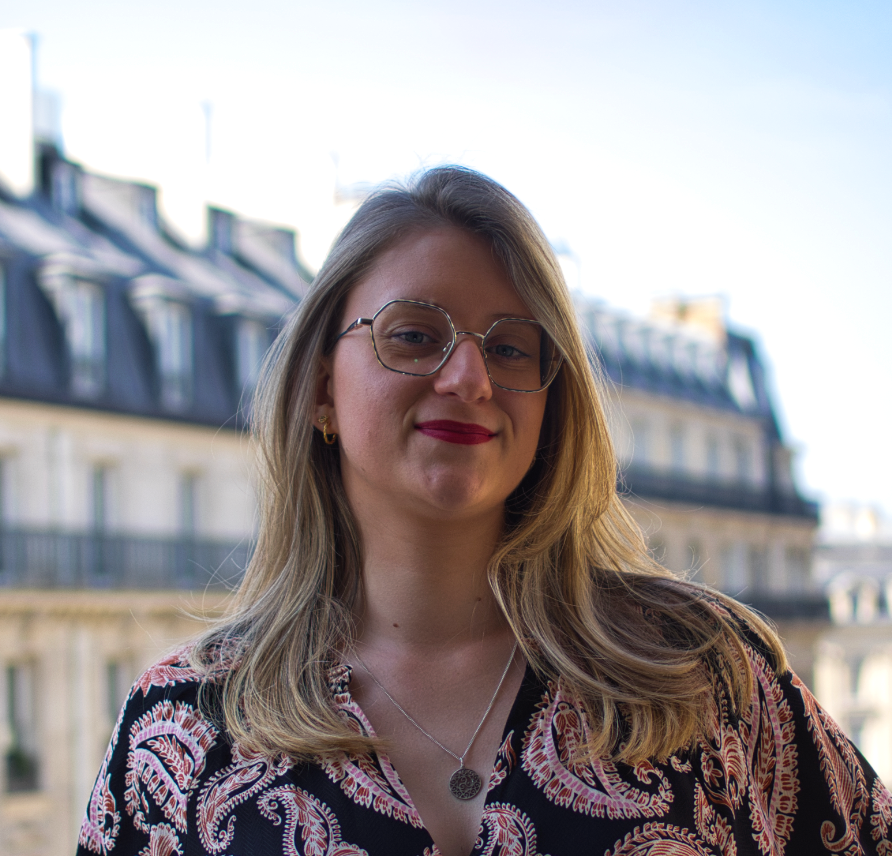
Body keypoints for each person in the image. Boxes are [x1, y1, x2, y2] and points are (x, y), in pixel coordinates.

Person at [77, 167, 890, 856]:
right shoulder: (182, 728)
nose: (468, 376)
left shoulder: (699, 674)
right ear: (322, 387)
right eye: (414, 334)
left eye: (509, 347)